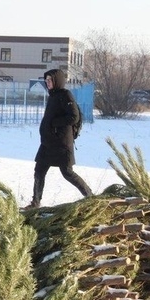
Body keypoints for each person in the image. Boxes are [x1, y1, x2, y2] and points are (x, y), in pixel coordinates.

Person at [24, 68, 92, 209]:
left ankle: (90, 196)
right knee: (39, 170)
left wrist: (55, 123)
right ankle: (35, 202)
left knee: (67, 172)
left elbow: (74, 117)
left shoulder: (65, 95)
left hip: (61, 143)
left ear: (57, 80)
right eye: (46, 80)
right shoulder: (53, 95)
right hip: (48, 143)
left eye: (50, 80)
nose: (47, 83)